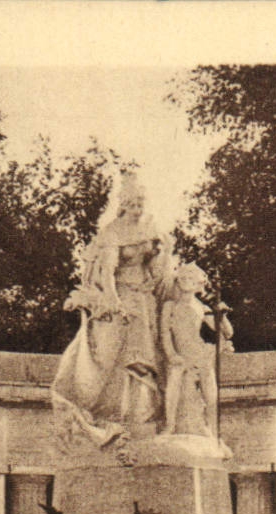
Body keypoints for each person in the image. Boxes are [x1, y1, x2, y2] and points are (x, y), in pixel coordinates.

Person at [51, 173, 171, 459]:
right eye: (133, 203)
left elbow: (157, 269)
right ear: (124, 204)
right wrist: (116, 303)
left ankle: (143, 414)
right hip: (122, 297)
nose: (138, 208)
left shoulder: (151, 227)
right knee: (119, 356)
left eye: (141, 202)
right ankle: (116, 414)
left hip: (145, 298)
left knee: (146, 358)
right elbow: (107, 273)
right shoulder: (113, 232)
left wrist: (167, 251)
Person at [160, 262, 230, 438]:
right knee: (173, 386)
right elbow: (164, 334)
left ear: (198, 283)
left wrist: (222, 316)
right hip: (179, 354)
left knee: (211, 394)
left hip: (199, 352)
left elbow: (227, 333)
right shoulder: (170, 305)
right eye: (183, 277)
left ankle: (213, 431)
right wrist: (171, 354)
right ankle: (170, 426)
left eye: (190, 277)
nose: (185, 280)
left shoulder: (202, 308)